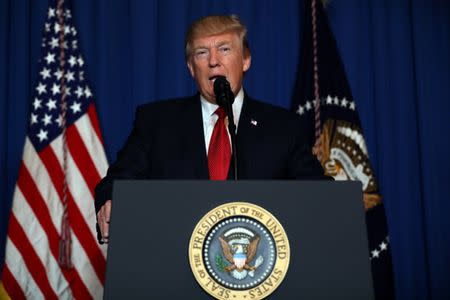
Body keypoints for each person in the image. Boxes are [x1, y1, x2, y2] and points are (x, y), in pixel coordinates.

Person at [95, 15, 327, 243]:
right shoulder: (157, 122)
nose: (213, 61)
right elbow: (118, 180)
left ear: (246, 60)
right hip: (175, 262)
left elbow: (316, 192)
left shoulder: (283, 127)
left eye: (224, 49)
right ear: (191, 67)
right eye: (202, 52)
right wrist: (110, 199)